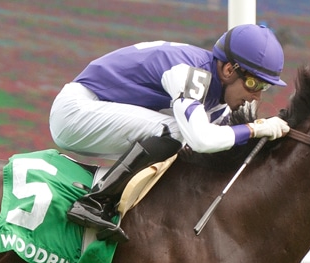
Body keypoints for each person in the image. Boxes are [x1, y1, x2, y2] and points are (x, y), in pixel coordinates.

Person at [49, 23, 291, 242]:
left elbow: (217, 145)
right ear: (229, 70)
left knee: (184, 138)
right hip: (75, 111)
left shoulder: (216, 98)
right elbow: (202, 140)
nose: (257, 96)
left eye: (265, 87)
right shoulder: (193, 73)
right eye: (253, 84)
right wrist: (255, 128)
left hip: (93, 112)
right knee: (178, 131)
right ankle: (94, 203)